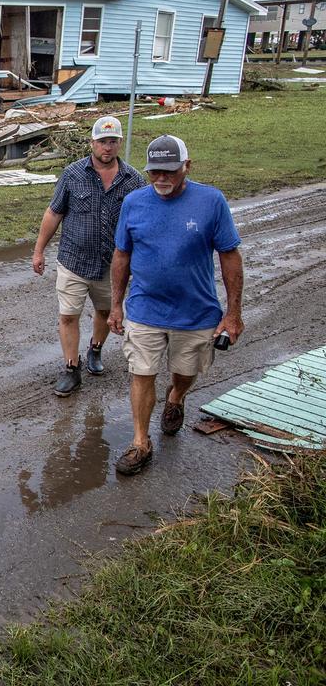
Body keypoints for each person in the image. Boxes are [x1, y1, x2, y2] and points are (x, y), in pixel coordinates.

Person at [108, 135, 244, 476]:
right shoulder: (134, 203)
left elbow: (230, 256)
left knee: (185, 374)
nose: (161, 179)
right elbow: (121, 255)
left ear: (187, 166)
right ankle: (141, 442)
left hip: (195, 312)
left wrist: (233, 313)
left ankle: (176, 398)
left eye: (169, 171)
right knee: (141, 372)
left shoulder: (211, 201)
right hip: (144, 309)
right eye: (154, 172)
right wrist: (116, 306)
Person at [32, 116, 145, 397]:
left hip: (112, 265)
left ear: (119, 143)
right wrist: (39, 250)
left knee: (106, 313)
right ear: (92, 143)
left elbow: (144, 221)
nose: (107, 147)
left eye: (113, 142)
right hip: (73, 261)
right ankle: (72, 369)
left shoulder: (134, 180)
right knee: (68, 315)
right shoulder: (73, 174)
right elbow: (54, 212)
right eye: (102, 142)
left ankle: (95, 349)